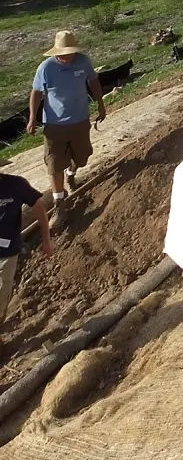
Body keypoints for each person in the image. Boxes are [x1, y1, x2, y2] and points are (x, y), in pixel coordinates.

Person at [26, 30, 106, 227]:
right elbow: (36, 92)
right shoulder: (46, 68)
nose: (66, 56)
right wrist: (31, 118)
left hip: (79, 120)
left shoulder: (83, 62)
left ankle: (71, 175)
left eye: (69, 52)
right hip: (54, 125)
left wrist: (100, 103)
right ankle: (59, 205)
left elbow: (93, 80)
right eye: (62, 52)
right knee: (54, 164)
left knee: (82, 157)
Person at [0, 172, 53, 326]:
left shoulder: (16, 184)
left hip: (7, 252)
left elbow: (39, 207)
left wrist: (46, 240)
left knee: (2, 289)